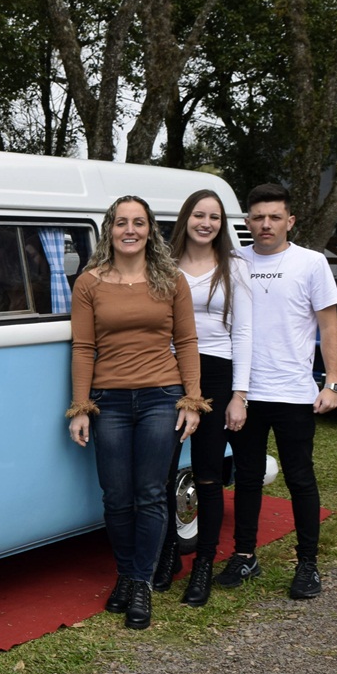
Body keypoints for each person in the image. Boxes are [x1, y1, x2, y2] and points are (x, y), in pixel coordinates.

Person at [68, 195, 207, 629]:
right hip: (108, 401)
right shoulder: (89, 283)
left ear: (150, 231)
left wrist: (192, 400)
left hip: (160, 398)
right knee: (115, 496)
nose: (130, 230)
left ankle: (141, 582)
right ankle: (126, 574)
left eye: (139, 222)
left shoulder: (171, 281)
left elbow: (187, 342)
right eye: (122, 222)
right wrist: (80, 407)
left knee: (149, 493)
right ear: (109, 229)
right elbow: (83, 348)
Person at [221, 182, 337, 599]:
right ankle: (244, 556)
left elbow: (329, 326)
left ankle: (307, 564)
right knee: (247, 477)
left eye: (274, 217)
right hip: (245, 393)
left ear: (290, 220)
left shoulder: (311, 263)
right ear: (247, 221)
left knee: (300, 479)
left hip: (293, 393)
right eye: (258, 217)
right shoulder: (233, 261)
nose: (266, 224)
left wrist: (332, 383)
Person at [156, 190, 252, 606]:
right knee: (161, 471)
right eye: (199, 215)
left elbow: (244, 332)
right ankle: (168, 555)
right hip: (168, 370)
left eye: (214, 217)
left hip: (216, 372)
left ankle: (204, 565)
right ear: (186, 218)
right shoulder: (165, 264)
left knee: (209, 473)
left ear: (221, 224)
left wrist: (239, 394)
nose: (206, 223)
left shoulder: (235, 266)